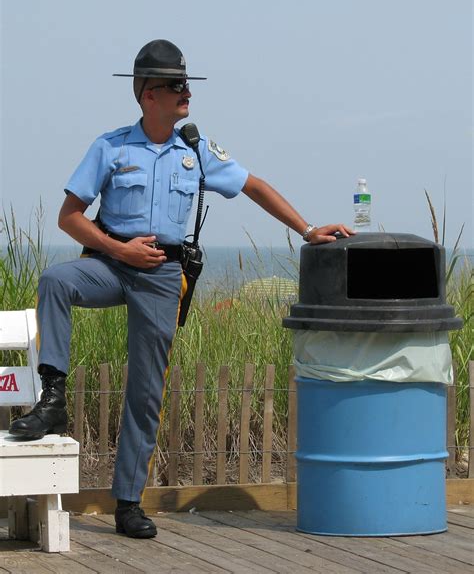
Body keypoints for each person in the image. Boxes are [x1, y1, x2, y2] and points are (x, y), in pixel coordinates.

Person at [9, 39, 354, 538]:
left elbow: (253, 185)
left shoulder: (196, 149)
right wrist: (119, 250)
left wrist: (306, 230)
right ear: (148, 94)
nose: (186, 92)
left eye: (187, 83)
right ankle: (54, 397)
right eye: (175, 85)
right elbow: (69, 219)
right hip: (111, 262)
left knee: (145, 393)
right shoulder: (110, 146)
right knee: (55, 280)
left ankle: (127, 504)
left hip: (163, 276)